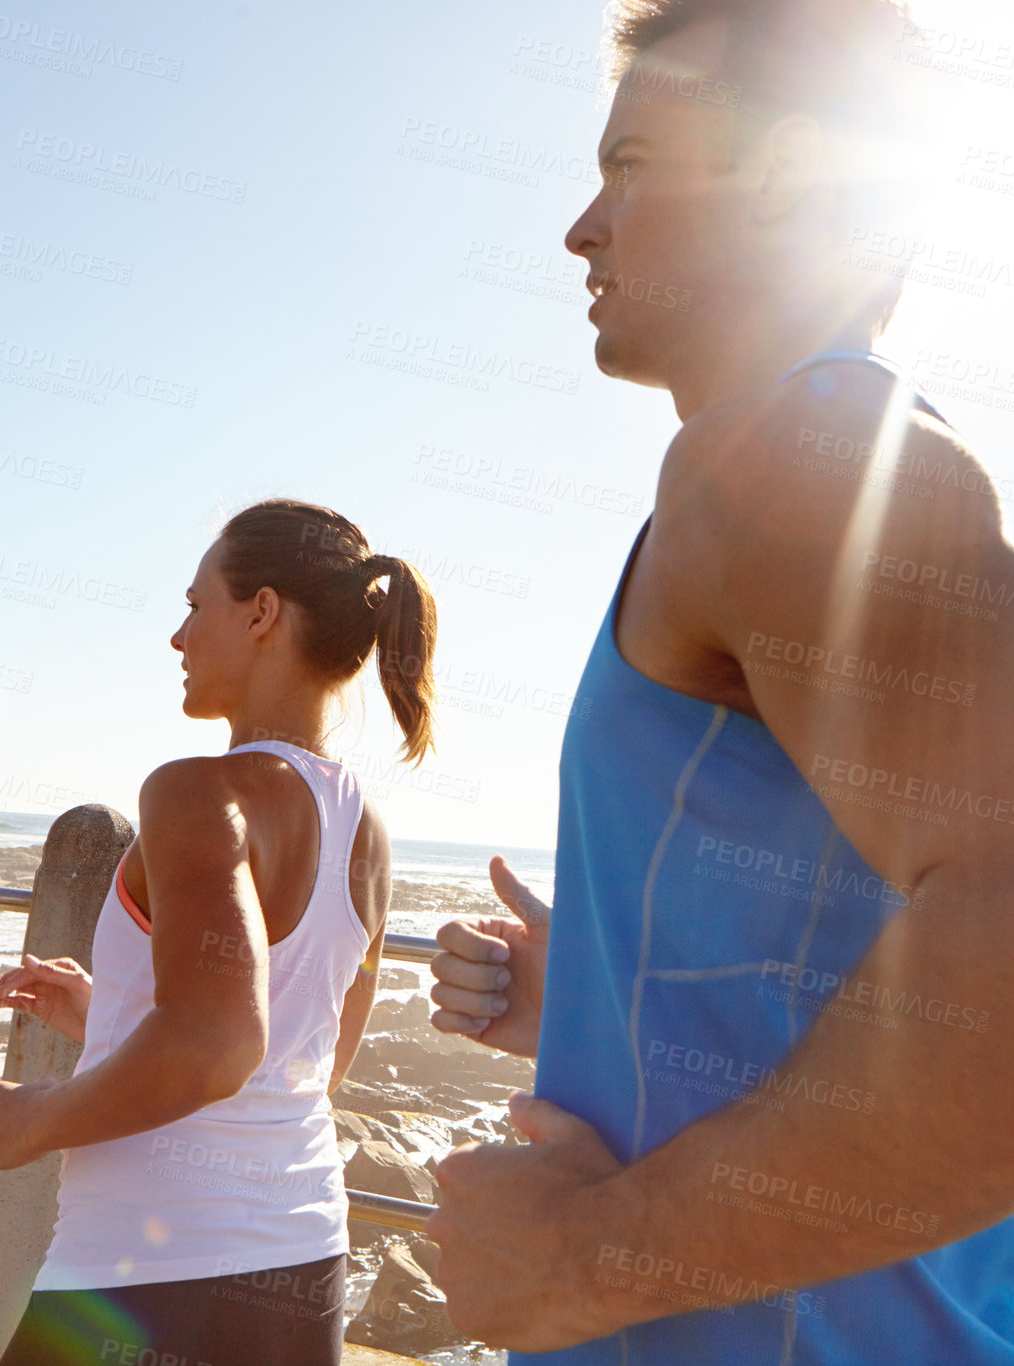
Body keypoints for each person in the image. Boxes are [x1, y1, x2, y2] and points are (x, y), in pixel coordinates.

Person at [426, 0, 1014, 1361]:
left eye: (628, 165)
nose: (581, 226)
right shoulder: (792, 459)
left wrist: (577, 1257)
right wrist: (608, 1005)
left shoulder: (801, 449)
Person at [0, 498, 438, 1366]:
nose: (178, 638)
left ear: (261, 612)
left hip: (142, 1274)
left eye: (193, 606)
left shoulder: (195, 793)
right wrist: (110, 1014)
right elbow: (306, 1063)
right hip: (299, 1263)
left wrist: (29, 1123)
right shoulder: (364, 828)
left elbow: (218, 1043)